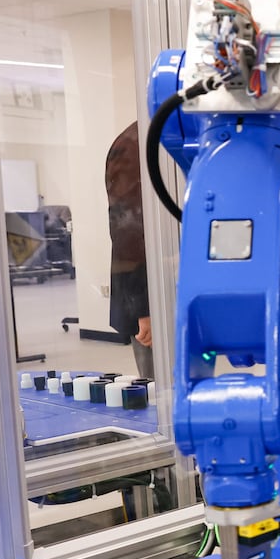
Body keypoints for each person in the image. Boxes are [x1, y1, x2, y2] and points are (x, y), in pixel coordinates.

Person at [105, 121, 152, 377]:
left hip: (178, 289)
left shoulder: (171, 134)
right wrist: (144, 310)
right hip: (151, 299)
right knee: (163, 396)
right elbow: (127, 230)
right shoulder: (134, 145)